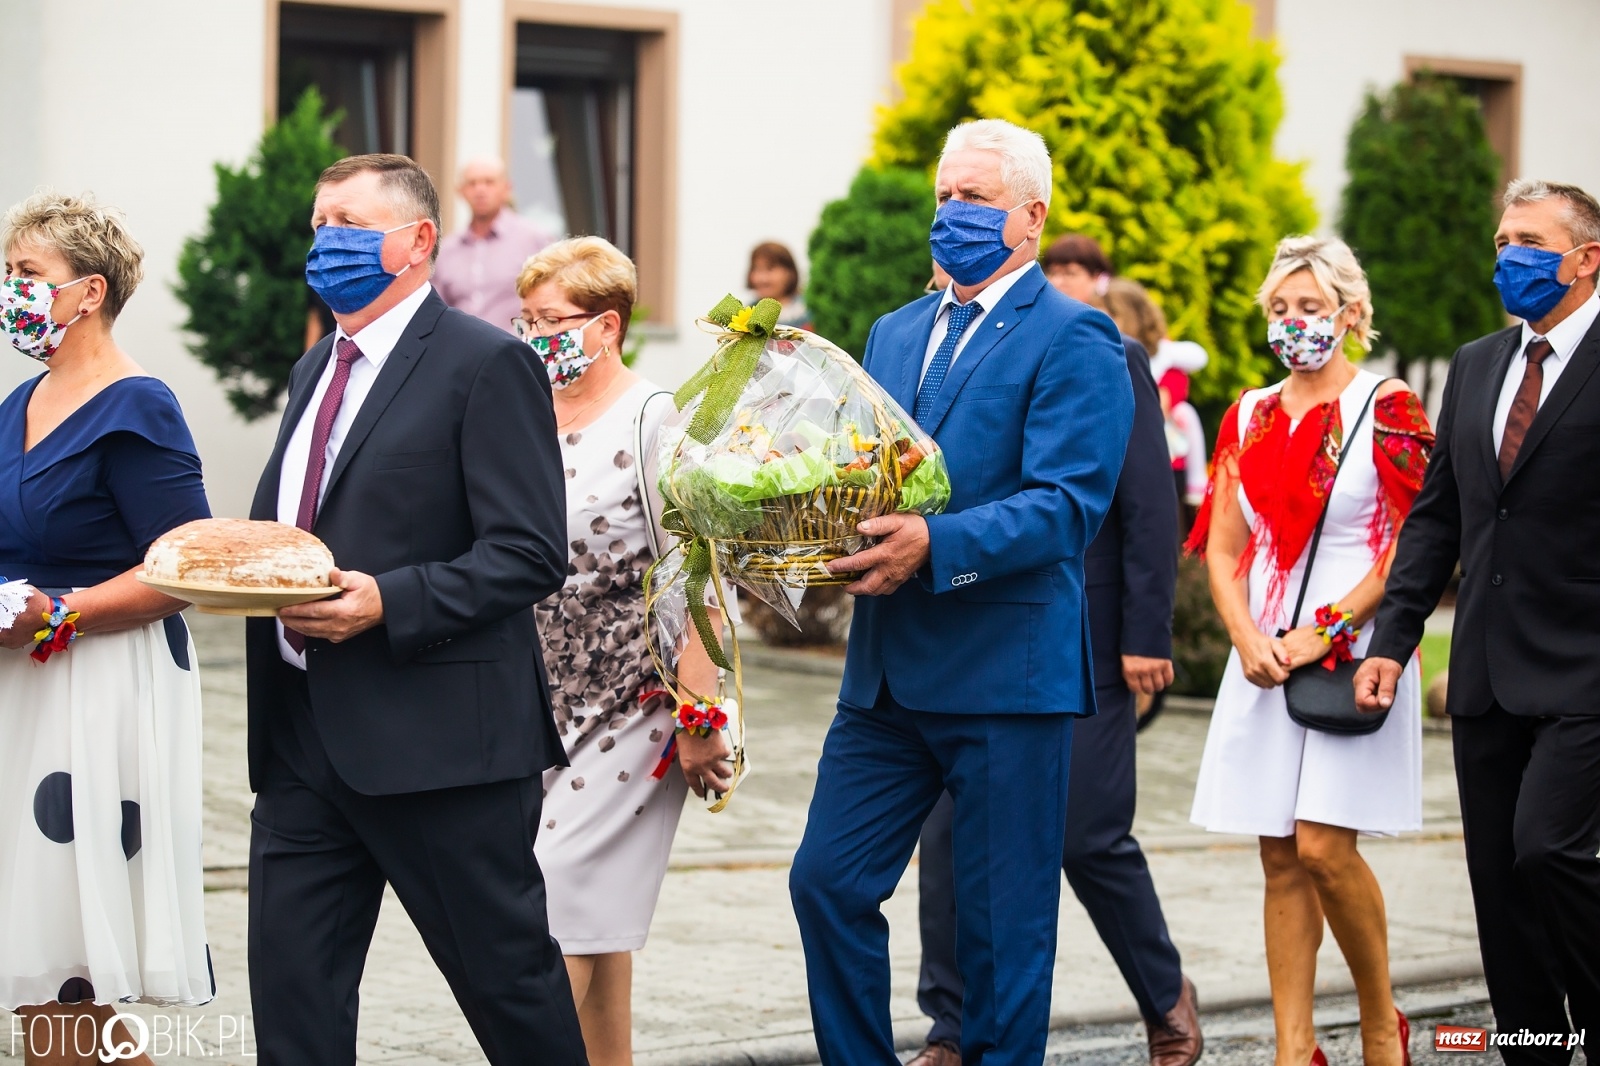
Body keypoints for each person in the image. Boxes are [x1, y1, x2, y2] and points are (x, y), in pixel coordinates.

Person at [789, 119, 1135, 1066]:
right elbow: (863, 473)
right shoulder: (892, 332)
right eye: (944, 196)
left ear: (1031, 216)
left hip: (1003, 678)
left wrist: (936, 548)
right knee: (827, 882)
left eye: (975, 198)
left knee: (1000, 936)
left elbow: (1067, 506)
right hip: (886, 683)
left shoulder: (1078, 337)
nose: (952, 213)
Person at [244, 154, 584, 1066]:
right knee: (292, 1004)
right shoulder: (315, 365)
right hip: (302, 741)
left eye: (346, 224)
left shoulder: (488, 364)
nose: (324, 242)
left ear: (417, 239)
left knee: (508, 990)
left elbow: (529, 553)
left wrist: (385, 602)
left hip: (441, 746)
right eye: (317, 225)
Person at [909, 257, 1194, 1066]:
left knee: (1089, 833)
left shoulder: (1103, 352)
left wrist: (1146, 634)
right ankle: (953, 1028)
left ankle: (1165, 994)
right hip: (969, 636)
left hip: (1090, 637)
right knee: (952, 836)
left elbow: (1146, 506)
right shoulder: (930, 347)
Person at [1356, 179, 1600, 1064]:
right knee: (1498, 885)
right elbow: (1438, 516)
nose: (1508, 257)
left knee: (1549, 852)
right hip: (1488, 672)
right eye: (1501, 239)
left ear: (1585, 259)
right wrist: (1395, 638)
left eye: (1529, 240)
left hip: (1586, 669)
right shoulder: (1477, 363)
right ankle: (1534, 1049)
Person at [1187, 236, 1433, 1066]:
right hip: (1261, 652)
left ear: (1350, 315)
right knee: (1279, 855)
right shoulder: (1247, 412)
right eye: (1282, 310)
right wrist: (1246, 636)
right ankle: (1295, 1049)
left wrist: (1326, 626)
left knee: (1327, 847)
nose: (1296, 323)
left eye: (1313, 307)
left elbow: (1413, 544)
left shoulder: (1389, 405)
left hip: (1354, 649)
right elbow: (1223, 549)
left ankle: (1376, 1022)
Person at [0, 192, 213, 1062]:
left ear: (88, 293)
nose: (10, 289)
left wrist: (62, 614)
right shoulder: (20, 399)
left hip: (97, 688)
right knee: (36, 963)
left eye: (27, 275)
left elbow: (182, 569)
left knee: (63, 968)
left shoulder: (139, 405)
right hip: (21, 688)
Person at [514, 236, 734, 1065]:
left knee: (552, 898)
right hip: (537, 698)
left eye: (551, 320)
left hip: (631, 704)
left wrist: (700, 712)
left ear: (607, 326)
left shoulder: (655, 418)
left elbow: (695, 573)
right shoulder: (526, 409)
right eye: (525, 318)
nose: (534, 334)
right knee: (593, 925)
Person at [1101, 278, 1211, 518]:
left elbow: (1163, 403)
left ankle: (1198, 485)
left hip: (1164, 460)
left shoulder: (1163, 359)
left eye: (1111, 314)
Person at [434, 156, 551, 330]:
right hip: (464, 353)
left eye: (489, 182)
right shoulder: (446, 250)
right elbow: (437, 309)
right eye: (472, 183)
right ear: (460, 191)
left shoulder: (534, 240)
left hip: (516, 351)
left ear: (507, 188)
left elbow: (551, 303)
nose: (480, 190)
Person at [747, 240, 809, 327]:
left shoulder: (810, 311)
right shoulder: (747, 316)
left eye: (770, 269)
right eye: (757, 269)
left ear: (789, 273)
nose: (762, 279)